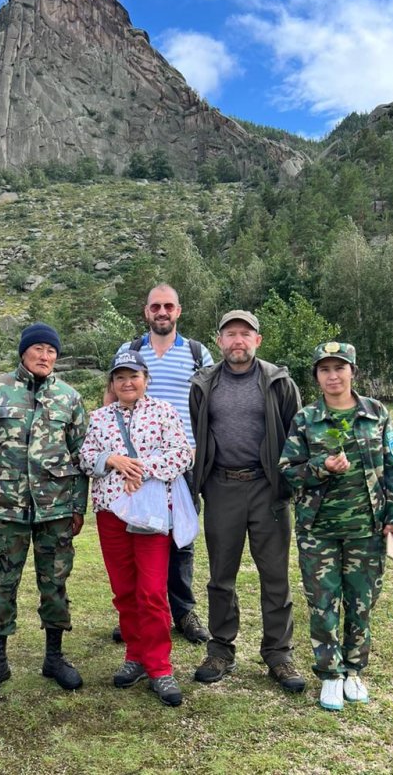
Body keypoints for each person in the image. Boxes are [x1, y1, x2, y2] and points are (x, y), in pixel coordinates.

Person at [279, 342, 393, 710]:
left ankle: (354, 670)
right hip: (318, 529)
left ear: (353, 371)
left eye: (340, 368)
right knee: (323, 603)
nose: (333, 375)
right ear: (317, 376)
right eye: (325, 369)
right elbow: (288, 472)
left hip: (367, 530)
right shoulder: (306, 419)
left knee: (362, 602)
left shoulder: (376, 413)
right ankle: (330, 675)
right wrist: (322, 466)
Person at [0, 322, 88, 696]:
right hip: (6, 507)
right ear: (23, 351)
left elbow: (82, 457)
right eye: (38, 349)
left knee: (55, 584)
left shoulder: (70, 398)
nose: (45, 356)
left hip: (56, 509)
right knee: (4, 582)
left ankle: (54, 657)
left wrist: (78, 506)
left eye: (51, 351)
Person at [189, 309, 305, 692]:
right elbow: (197, 434)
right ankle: (220, 649)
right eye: (230, 334)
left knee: (275, 575)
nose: (237, 341)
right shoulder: (204, 383)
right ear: (219, 341)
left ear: (258, 340)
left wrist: (288, 484)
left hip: (267, 488)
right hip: (222, 486)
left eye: (245, 334)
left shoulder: (278, 382)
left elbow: (295, 435)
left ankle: (279, 654)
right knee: (221, 575)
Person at [80, 351, 193, 706]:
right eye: (120, 377)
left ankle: (160, 667)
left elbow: (183, 454)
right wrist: (110, 460)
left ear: (146, 378)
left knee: (151, 590)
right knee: (124, 589)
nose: (127, 383)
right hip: (110, 513)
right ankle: (136, 656)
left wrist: (138, 467)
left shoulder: (163, 412)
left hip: (151, 514)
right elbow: (84, 457)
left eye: (134, 376)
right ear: (111, 384)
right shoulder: (98, 418)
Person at [110, 284, 213, 644]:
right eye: (156, 306)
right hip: (133, 468)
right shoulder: (130, 351)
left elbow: (211, 405)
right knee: (135, 536)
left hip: (182, 464)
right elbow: (111, 398)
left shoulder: (199, 354)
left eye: (168, 306)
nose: (162, 312)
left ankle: (183, 611)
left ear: (178, 311)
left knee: (179, 538)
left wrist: (201, 451)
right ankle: (138, 613)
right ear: (146, 311)